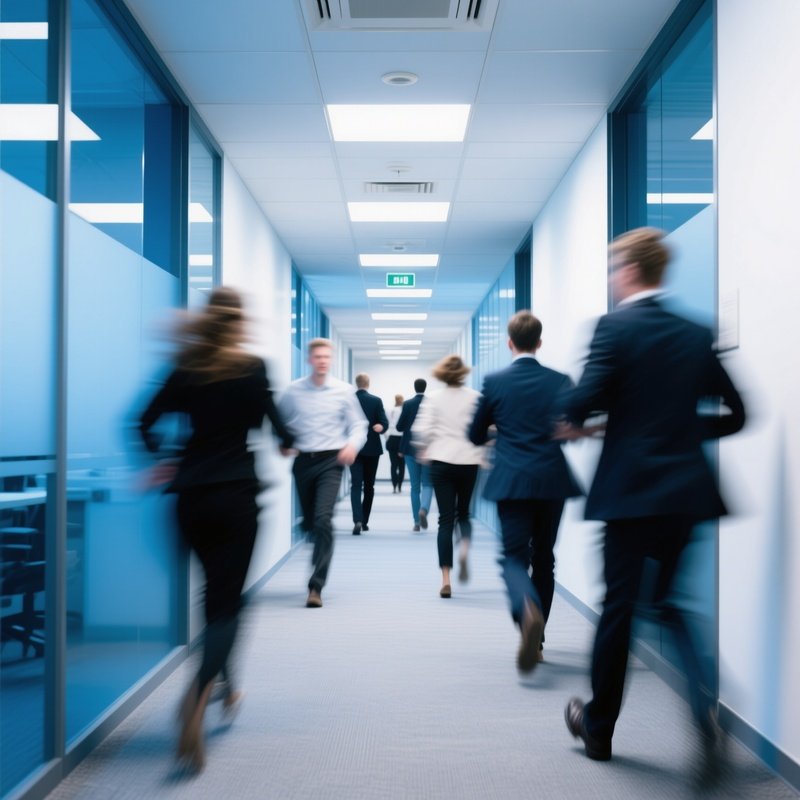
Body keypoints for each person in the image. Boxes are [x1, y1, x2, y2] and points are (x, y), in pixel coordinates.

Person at [557, 228, 745, 769]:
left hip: (629, 492)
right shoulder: (695, 332)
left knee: (619, 608)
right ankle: (705, 712)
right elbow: (737, 414)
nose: (612, 279)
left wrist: (579, 419)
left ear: (631, 270)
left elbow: (582, 401)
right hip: (687, 492)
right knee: (668, 603)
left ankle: (598, 730)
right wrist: (680, 432)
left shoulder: (613, 327)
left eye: (614, 269)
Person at [138, 287, 293, 770]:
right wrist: (287, 443)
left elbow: (141, 423)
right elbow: (279, 429)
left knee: (213, 595)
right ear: (240, 321)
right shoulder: (252, 368)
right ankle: (201, 692)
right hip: (236, 497)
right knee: (230, 604)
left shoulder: (186, 366)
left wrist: (163, 460)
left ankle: (224, 683)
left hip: (190, 499)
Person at [469, 311, 581, 671]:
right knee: (544, 558)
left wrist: (503, 432)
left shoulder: (495, 381)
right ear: (540, 342)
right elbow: (573, 427)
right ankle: (539, 638)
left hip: (512, 480)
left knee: (513, 558)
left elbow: (474, 434)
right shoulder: (559, 380)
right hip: (551, 480)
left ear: (509, 342)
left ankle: (526, 613)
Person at [278, 338, 368, 608]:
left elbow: (359, 424)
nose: (322, 361)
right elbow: (280, 421)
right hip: (303, 461)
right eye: (318, 357)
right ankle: (313, 535)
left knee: (323, 519)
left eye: (326, 357)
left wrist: (352, 446)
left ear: (331, 360)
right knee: (310, 523)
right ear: (309, 359)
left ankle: (316, 586)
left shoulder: (343, 391)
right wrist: (283, 442)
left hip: (332, 460)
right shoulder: (293, 391)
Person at [414, 355, 484, 598]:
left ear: (442, 374)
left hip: (441, 461)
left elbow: (421, 430)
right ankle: (463, 548)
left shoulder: (433, 398)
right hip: (469, 461)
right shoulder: (475, 397)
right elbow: (485, 428)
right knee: (463, 513)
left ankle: (446, 579)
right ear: (463, 373)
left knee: (445, 520)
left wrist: (423, 448)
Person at [350, 373, 389, 534]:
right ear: (368, 384)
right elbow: (384, 423)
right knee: (369, 486)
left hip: (353, 448)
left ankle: (357, 519)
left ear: (356, 383)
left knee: (355, 485)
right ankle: (364, 521)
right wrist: (380, 427)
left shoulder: (349, 400)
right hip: (372, 449)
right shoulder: (376, 400)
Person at [396, 378, 433, 532]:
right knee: (428, 484)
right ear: (425, 387)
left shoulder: (408, 404)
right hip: (428, 450)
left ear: (414, 387)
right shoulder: (431, 403)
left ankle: (417, 522)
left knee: (414, 486)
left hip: (410, 449)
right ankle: (424, 509)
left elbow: (399, 427)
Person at [385, 394, 405, 493]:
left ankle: (394, 486)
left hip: (392, 439)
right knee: (401, 465)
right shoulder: (404, 410)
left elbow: (387, 425)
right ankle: (399, 486)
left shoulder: (390, 410)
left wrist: (387, 437)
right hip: (402, 439)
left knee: (393, 464)